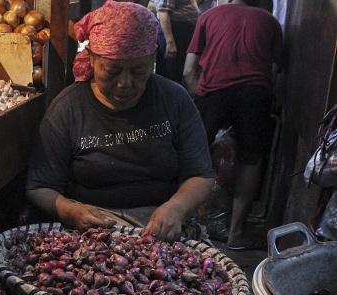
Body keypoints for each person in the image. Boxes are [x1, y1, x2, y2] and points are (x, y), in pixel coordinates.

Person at [28, 0, 215, 242]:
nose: (125, 82)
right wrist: (71, 211)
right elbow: (39, 187)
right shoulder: (68, 108)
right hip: (93, 230)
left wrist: (177, 208)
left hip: (162, 226)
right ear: (93, 60)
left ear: (152, 61)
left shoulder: (174, 99)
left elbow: (201, 175)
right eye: (113, 70)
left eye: (138, 70)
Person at [183, 0, 283, 249]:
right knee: (250, 160)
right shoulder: (270, 21)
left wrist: (201, 98)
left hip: (213, 90)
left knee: (197, 152)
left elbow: (188, 71)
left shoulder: (209, 16)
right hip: (255, 93)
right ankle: (235, 234)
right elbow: (274, 70)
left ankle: (185, 222)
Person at [155, 0, 200, 85]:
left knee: (177, 73)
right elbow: (163, 11)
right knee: (171, 75)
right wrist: (170, 42)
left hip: (181, 32)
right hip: (175, 32)